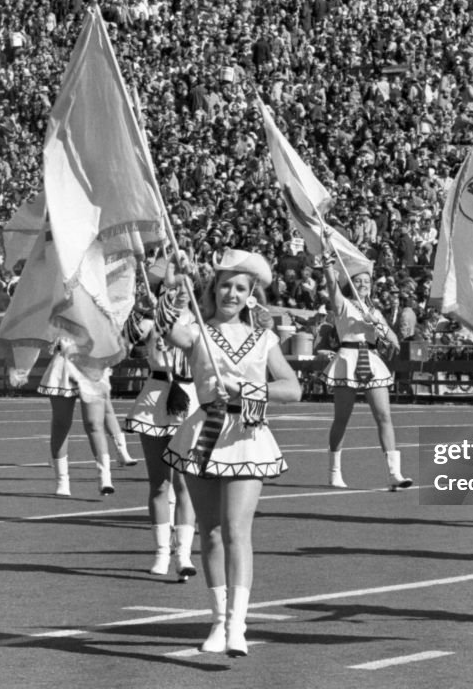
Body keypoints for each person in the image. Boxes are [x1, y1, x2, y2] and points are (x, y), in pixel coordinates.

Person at [159, 249, 301, 657]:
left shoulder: (263, 338)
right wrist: (173, 285)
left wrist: (250, 391)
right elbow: (165, 328)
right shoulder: (197, 330)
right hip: (203, 433)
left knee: (237, 529)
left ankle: (238, 624)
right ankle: (218, 620)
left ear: (251, 294)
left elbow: (293, 388)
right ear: (213, 289)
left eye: (241, 288)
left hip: (247, 433)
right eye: (225, 286)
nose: (232, 294)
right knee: (212, 533)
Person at [317, 234, 411, 490]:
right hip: (347, 358)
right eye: (358, 281)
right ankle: (334, 471)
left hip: (371, 359)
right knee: (342, 418)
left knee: (384, 416)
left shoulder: (376, 311)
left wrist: (377, 323)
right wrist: (328, 264)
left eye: (366, 281)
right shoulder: (343, 306)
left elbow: (394, 340)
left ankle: (394, 474)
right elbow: (332, 286)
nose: (363, 284)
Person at [124, 256, 198, 581]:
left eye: (186, 284)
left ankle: (183, 554)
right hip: (155, 397)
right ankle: (161, 552)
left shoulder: (201, 323)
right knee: (159, 483)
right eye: (174, 285)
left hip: (187, 401)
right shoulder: (149, 318)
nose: (181, 290)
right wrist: (139, 310)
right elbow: (121, 344)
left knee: (183, 482)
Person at [39, 336, 116, 498]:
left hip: (92, 363)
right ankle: (62, 481)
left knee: (94, 423)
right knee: (61, 423)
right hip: (64, 364)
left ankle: (105, 477)